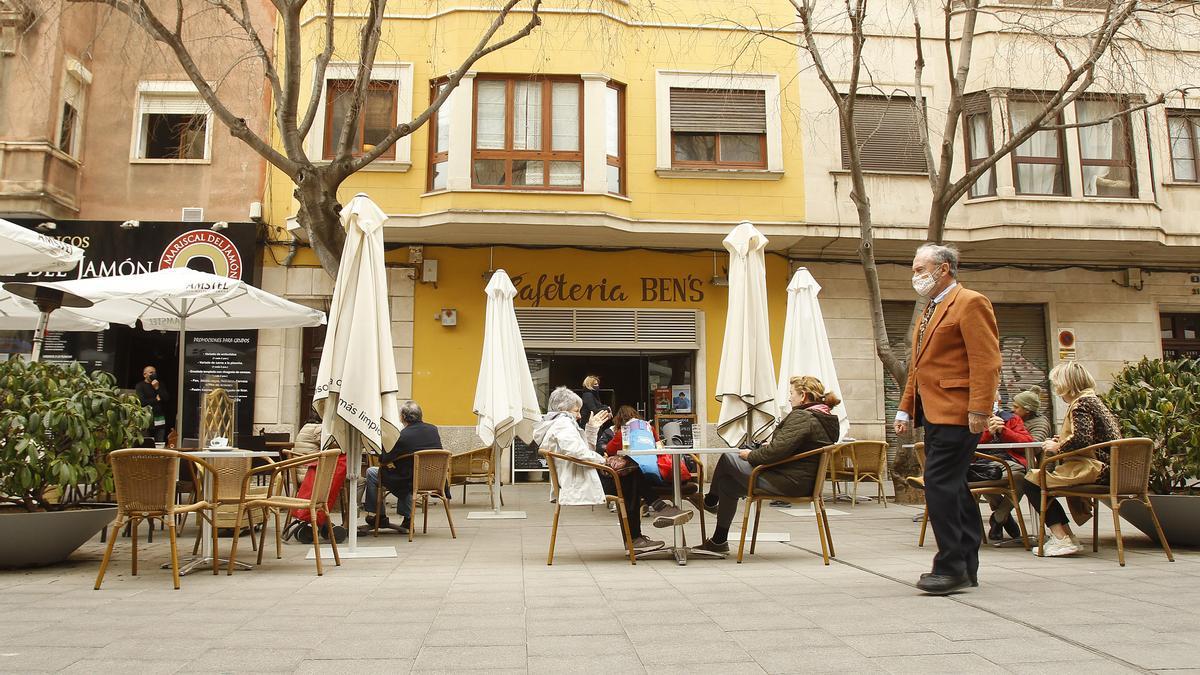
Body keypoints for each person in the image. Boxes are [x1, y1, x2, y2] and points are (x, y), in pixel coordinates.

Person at [896, 243, 1001, 595]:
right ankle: (966, 565)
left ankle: (950, 566)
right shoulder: (930, 309)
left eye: (919, 269)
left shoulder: (970, 302)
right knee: (953, 487)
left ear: (943, 269)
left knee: (938, 484)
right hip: (934, 411)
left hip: (958, 411)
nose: (915, 276)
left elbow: (987, 361)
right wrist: (905, 407)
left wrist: (980, 409)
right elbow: (918, 367)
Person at [696, 375, 842, 553]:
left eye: (791, 394)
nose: (789, 398)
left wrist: (752, 454)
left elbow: (775, 453)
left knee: (729, 456)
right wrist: (770, 446)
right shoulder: (823, 418)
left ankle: (710, 500)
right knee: (727, 485)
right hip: (802, 481)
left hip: (788, 482)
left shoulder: (802, 417)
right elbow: (794, 448)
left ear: (803, 395)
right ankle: (719, 541)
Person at [533, 386, 664, 553]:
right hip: (578, 482)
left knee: (630, 473)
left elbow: (583, 450)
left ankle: (642, 530)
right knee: (631, 476)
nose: (580, 415)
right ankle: (644, 526)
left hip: (576, 478)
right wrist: (604, 460)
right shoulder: (563, 424)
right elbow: (578, 453)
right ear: (562, 409)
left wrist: (591, 429)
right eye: (576, 410)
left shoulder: (559, 424)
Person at [1025, 362, 1121, 557]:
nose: (1056, 390)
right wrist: (1063, 440)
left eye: (1056, 384)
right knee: (1040, 480)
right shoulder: (1094, 400)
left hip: (1097, 469)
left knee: (1031, 482)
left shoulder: (1081, 404)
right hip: (1112, 468)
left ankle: (1061, 537)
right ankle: (1067, 537)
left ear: (1066, 384)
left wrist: (1057, 446)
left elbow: (1082, 439)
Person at [604, 405, 693, 528]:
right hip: (657, 472)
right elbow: (659, 446)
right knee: (635, 478)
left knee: (632, 477)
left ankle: (639, 532)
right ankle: (661, 509)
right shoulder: (649, 428)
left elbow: (610, 449)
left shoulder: (624, 431)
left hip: (636, 473)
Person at [361, 400, 441, 534]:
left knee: (372, 472)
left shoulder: (401, 435)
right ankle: (407, 519)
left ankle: (379, 516)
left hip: (408, 479)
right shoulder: (433, 429)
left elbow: (384, 460)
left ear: (403, 417)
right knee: (406, 473)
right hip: (431, 479)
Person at [983, 386, 1052, 542]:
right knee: (978, 477)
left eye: (992, 400)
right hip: (980, 465)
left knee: (1021, 477)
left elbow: (1029, 442)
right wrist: (988, 433)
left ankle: (999, 518)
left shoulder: (1011, 419)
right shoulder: (971, 420)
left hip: (1008, 462)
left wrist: (1003, 431)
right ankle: (1004, 517)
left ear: (998, 402)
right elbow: (964, 443)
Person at [134, 365, 168, 445]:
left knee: (159, 443)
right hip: (146, 418)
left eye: (155, 372)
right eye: (151, 372)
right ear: (145, 374)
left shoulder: (160, 384)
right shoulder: (140, 386)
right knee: (146, 443)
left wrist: (157, 388)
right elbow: (142, 402)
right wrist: (156, 400)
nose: (154, 374)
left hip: (159, 418)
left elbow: (166, 398)